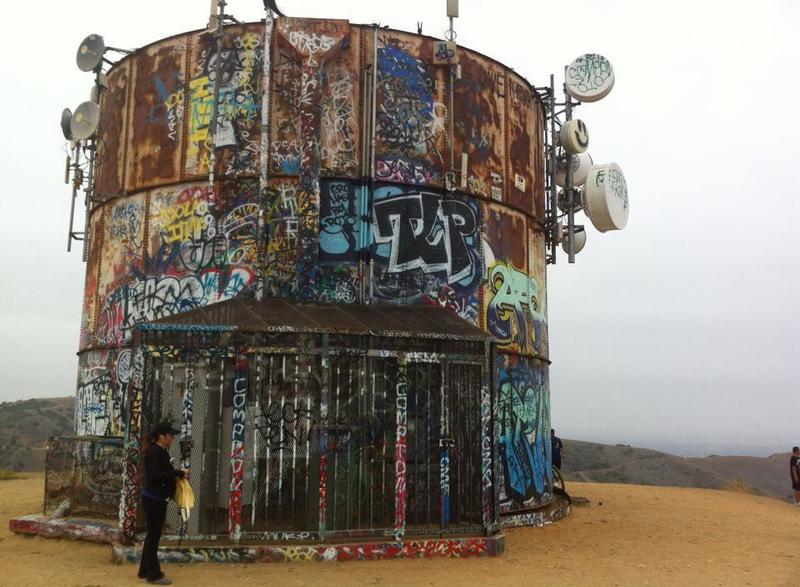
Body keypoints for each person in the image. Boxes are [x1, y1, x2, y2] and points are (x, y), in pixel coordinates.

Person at [138, 421, 187, 585]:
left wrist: (176, 474)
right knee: (153, 537)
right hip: (154, 500)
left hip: (156, 499)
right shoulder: (155, 452)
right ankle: (154, 574)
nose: (172, 438)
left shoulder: (160, 451)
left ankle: (145, 569)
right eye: (170, 435)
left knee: (152, 536)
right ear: (161, 436)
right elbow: (155, 475)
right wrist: (177, 473)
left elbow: (161, 472)